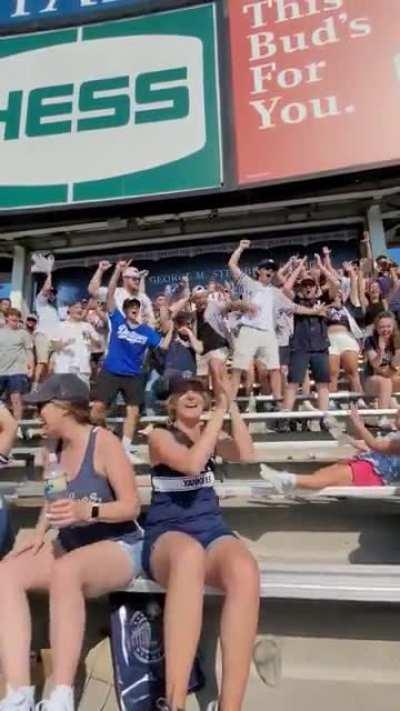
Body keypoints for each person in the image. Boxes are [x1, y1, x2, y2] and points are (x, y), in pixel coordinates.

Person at [0, 374, 142, 711]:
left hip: (120, 545)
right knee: (5, 573)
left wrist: (86, 510)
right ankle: (18, 693)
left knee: (67, 572)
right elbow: (55, 498)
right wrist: (38, 532)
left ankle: (61, 695)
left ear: (64, 408)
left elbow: (131, 506)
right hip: (72, 545)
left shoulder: (103, 441)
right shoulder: (53, 448)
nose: (36, 414)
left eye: (42, 407)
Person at [142, 377, 260, 711]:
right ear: (172, 404)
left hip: (210, 529)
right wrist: (218, 412)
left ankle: (230, 706)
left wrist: (230, 404)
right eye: (182, 392)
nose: (191, 395)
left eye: (198, 391)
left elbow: (247, 454)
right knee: (188, 556)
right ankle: (175, 701)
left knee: (245, 570)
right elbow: (192, 462)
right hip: (167, 534)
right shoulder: (160, 436)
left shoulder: (211, 436)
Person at [228, 240, 327, 401]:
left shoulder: (277, 293)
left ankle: (278, 402)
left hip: (268, 334)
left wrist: (314, 311)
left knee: (276, 369)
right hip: (248, 330)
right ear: (258, 271)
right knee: (238, 369)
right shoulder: (249, 284)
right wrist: (240, 248)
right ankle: (229, 405)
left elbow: (295, 308)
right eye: (266, 268)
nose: (270, 271)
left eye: (273, 269)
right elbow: (232, 264)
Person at [92, 261, 168, 453]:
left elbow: (157, 331)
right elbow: (97, 291)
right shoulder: (117, 305)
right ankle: (105, 435)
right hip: (112, 361)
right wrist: (112, 270)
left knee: (133, 410)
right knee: (98, 409)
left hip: (135, 367)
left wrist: (168, 325)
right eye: (133, 277)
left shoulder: (143, 301)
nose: (136, 280)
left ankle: (124, 448)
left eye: (138, 278)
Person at [259, 405, 400, 494]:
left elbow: (376, 445)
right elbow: (372, 447)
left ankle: (287, 480)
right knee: (321, 473)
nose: (395, 419)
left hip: (373, 472)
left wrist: (359, 426)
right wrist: (345, 437)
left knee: (323, 479)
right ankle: (285, 483)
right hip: (368, 463)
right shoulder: (396, 435)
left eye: (398, 416)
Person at [50, 299, 102, 387]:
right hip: (64, 369)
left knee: (81, 398)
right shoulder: (61, 326)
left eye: (81, 308)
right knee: (64, 398)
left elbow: (99, 345)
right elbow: (54, 346)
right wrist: (65, 344)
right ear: (69, 309)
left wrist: (92, 339)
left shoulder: (87, 326)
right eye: (76, 307)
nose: (79, 310)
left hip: (83, 369)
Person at [88, 260, 155, 325]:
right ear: (125, 278)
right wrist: (100, 270)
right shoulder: (115, 292)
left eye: (138, 279)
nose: (137, 281)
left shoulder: (143, 297)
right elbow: (93, 290)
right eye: (134, 279)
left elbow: (151, 320)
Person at [363, 312, 400, 426]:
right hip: (371, 380)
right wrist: (381, 351)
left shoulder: (397, 339)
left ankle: (391, 404)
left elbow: (395, 364)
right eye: (382, 327)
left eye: (388, 326)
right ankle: (382, 417)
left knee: (388, 380)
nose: (385, 330)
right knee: (385, 381)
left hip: (390, 375)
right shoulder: (370, 340)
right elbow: (375, 365)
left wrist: (398, 349)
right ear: (377, 328)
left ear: (393, 326)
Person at [0, 309, 34, 422]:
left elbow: (29, 352)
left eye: (17, 317)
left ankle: (17, 424)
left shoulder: (23, 333)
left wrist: (31, 368)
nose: (14, 319)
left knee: (16, 398)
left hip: (17, 370)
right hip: (1, 370)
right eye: (12, 317)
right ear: (6, 318)